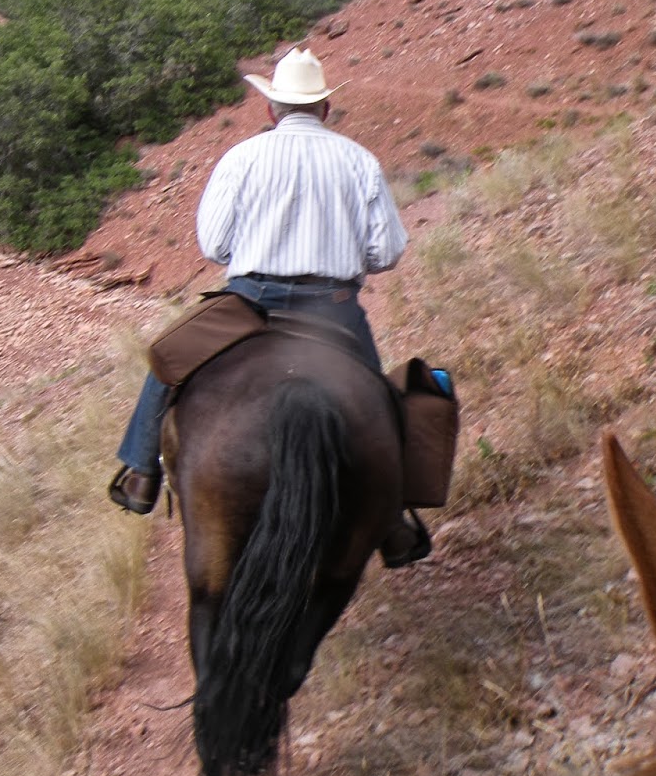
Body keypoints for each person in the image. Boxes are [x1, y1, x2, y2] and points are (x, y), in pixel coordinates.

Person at [109, 45, 431, 568]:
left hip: (249, 303)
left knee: (167, 360)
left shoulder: (241, 158)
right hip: (333, 309)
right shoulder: (360, 161)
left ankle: (142, 471)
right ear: (325, 108)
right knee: (380, 404)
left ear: (271, 108)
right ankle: (393, 520)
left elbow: (214, 245)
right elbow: (388, 251)